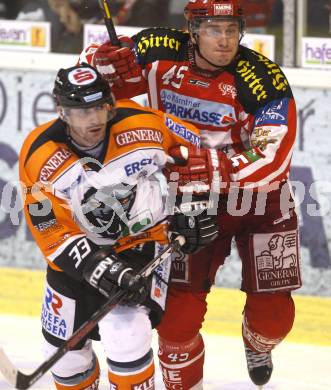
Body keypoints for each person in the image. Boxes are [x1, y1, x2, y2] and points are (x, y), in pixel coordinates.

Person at [80, 0, 303, 388]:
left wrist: (221, 167)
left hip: (260, 199)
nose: (225, 40)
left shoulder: (262, 77)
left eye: (232, 29)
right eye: (215, 29)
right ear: (194, 29)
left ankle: (258, 344)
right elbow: (91, 82)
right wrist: (100, 65)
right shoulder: (158, 51)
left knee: (273, 319)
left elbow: (273, 154)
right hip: (191, 201)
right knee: (175, 327)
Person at [19, 64, 218, 389]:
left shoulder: (143, 122)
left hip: (142, 242)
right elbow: (50, 231)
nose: (94, 119)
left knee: (126, 334)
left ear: (110, 104)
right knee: (64, 358)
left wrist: (193, 203)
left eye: (100, 107)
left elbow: (198, 151)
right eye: (82, 111)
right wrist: (96, 266)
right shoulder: (38, 153)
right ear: (62, 112)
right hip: (75, 257)